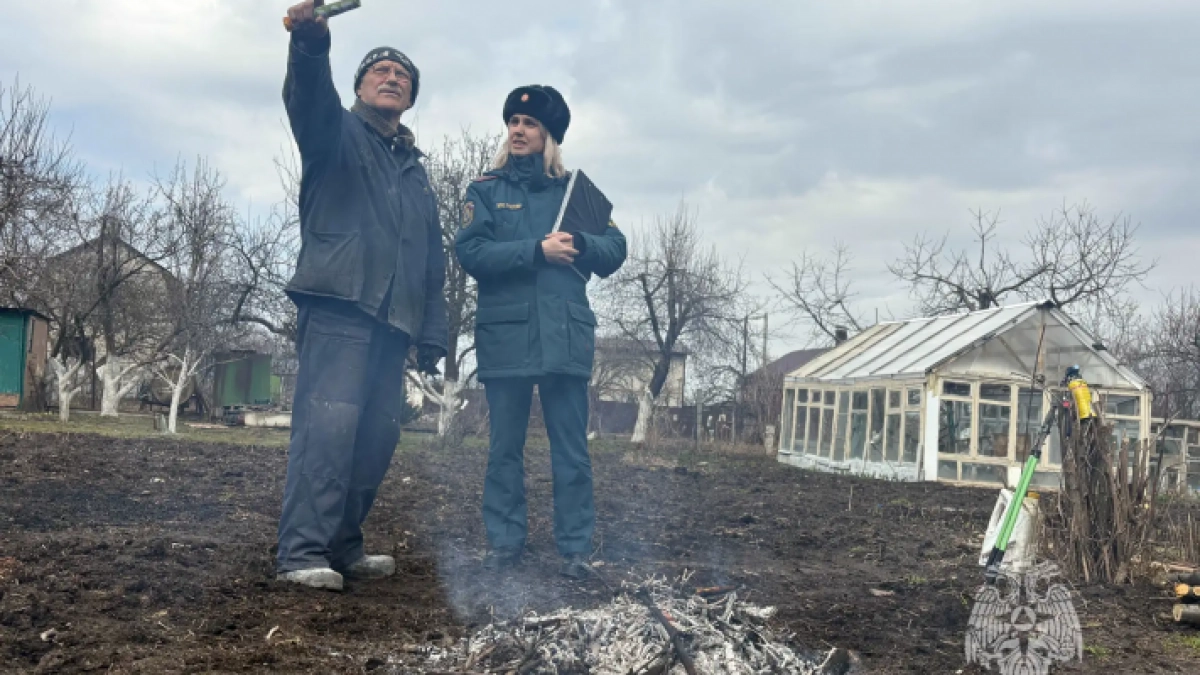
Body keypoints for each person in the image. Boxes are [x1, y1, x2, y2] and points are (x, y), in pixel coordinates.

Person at [275, 1, 448, 591]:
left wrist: (432, 334)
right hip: (340, 305)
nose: (392, 76)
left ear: (411, 96)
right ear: (358, 85)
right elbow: (308, 97)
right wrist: (309, 44)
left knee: (375, 437)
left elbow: (432, 260)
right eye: (380, 69)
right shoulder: (336, 132)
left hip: (393, 322)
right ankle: (301, 553)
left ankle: (344, 546)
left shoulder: (416, 173)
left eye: (402, 74)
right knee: (327, 430)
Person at [455, 85, 627, 579]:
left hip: (564, 337)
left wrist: (578, 243)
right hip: (506, 336)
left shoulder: (577, 194)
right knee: (503, 448)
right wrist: (536, 250)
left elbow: (616, 249)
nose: (517, 130)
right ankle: (505, 546)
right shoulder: (485, 191)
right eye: (512, 122)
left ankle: (576, 551)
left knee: (571, 451)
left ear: (549, 136)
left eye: (529, 124)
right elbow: (471, 254)